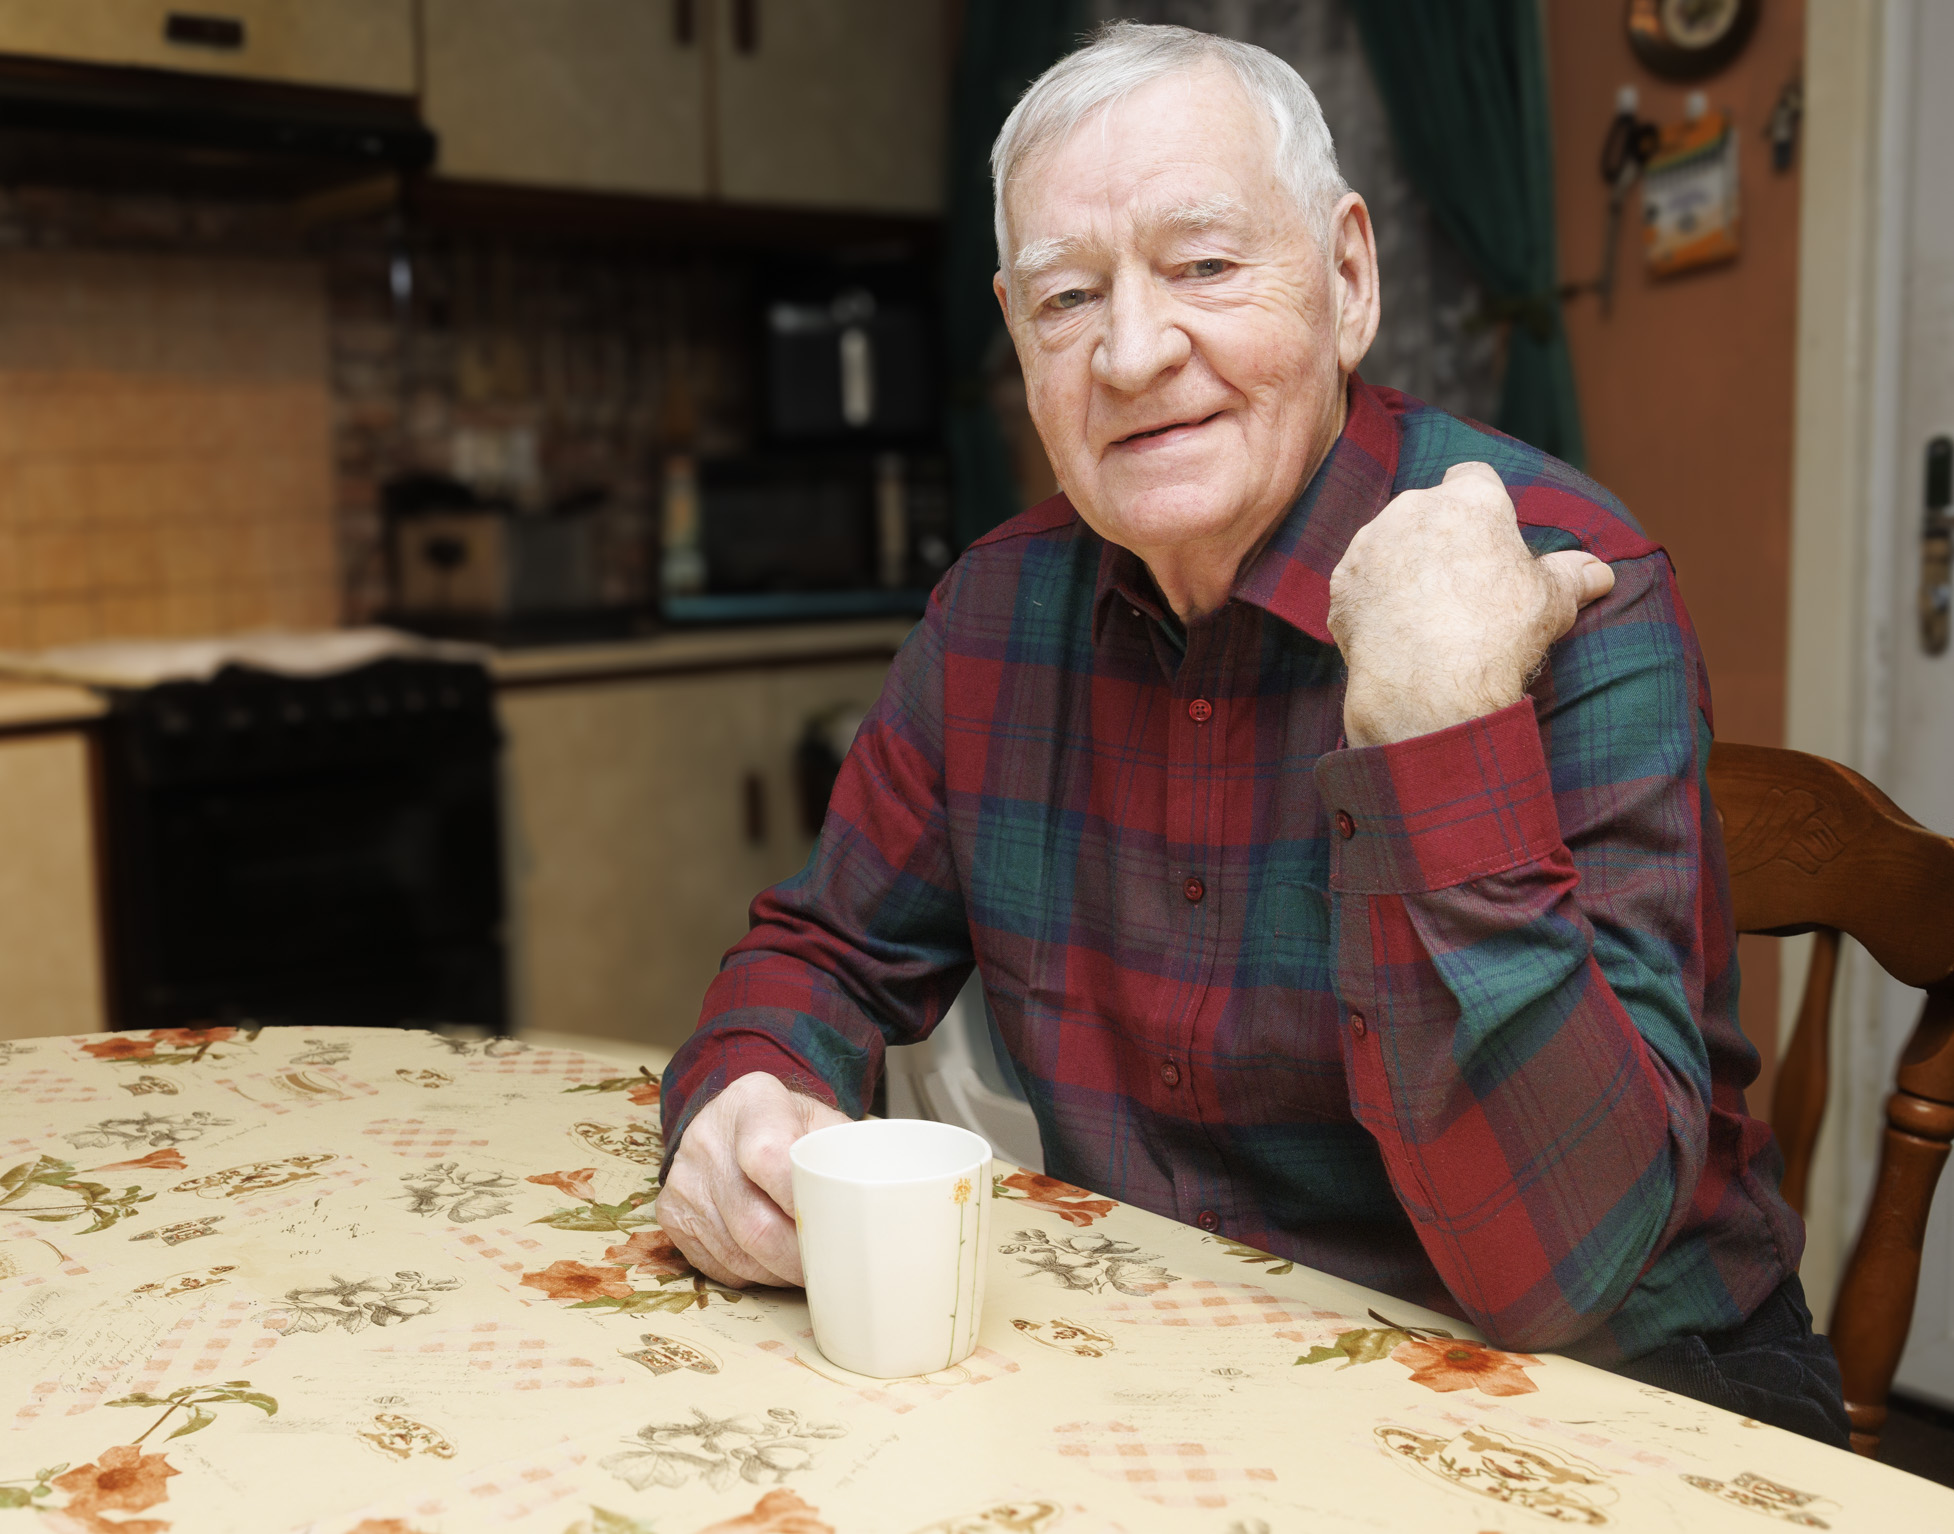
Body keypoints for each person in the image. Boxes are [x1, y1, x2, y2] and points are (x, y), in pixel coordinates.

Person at [654, 23, 1848, 1445]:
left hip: (1634, 1389)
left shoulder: (1570, 584)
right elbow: (823, 949)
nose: (1134, 349)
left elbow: (1563, 1269)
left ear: (1346, 279)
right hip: (1188, 1359)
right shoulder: (990, 613)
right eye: (1065, 297)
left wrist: (1434, 733)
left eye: (1206, 266)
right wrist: (749, 1090)